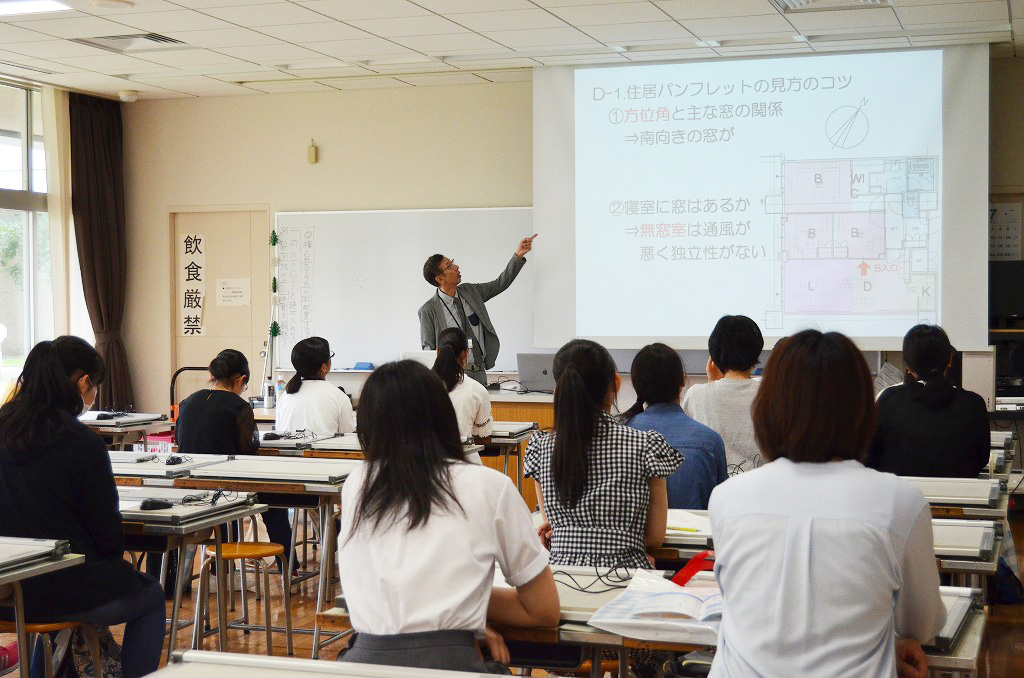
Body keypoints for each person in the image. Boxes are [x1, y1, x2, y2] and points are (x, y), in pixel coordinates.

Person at [708, 330, 945, 678]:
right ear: (862, 408)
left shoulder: (727, 498)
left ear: (768, 408)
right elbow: (922, 624)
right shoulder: (899, 502)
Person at [338, 360, 559, 673]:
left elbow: (397, 591)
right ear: (444, 415)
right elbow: (543, 611)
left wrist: (463, 617)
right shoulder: (489, 486)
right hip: (452, 664)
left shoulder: (358, 483)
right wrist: (462, 618)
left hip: (361, 663)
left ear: (367, 427)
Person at [0, 337, 164, 678]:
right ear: (83, 383)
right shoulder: (82, 443)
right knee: (150, 594)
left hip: (5, 587)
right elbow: (106, 535)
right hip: (62, 588)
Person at [524, 339, 682, 569]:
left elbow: (551, 528)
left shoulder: (541, 449)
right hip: (625, 578)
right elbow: (655, 536)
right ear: (616, 383)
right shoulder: (645, 445)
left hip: (562, 578)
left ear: (557, 391)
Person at [176, 349, 295, 572]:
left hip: (188, 484)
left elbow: (179, 440)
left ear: (213, 375)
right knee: (276, 501)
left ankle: (220, 568)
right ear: (240, 379)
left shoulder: (188, 402)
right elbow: (248, 449)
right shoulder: (239, 406)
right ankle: (288, 567)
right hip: (225, 486)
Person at [869, 325, 989, 478]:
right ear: (950, 359)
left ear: (908, 366)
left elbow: (872, 458)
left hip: (898, 499)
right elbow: (982, 459)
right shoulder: (974, 404)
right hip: (960, 499)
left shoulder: (887, 400)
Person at [419, 234, 537, 386]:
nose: (456, 267)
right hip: (452, 378)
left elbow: (499, 284)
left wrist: (518, 256)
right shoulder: (428, 310)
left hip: (480, 374)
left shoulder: (470, 292)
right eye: (449, 266)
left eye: (453, 262)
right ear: (439, 279)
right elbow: (428, 352)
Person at [622, 343, 727, 510]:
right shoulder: (710, 441)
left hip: (637, 537)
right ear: (682, 380)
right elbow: (722, 508)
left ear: (637, 385)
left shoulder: (620, 435)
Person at [682, 315, 764, 475]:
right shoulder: (771, 390)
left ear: (714, 353)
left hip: (714, 491)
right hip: (762, 489)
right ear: (757, 350)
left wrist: (712, 384)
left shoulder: (696, 394)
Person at [276, 337, 354, 436]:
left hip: (287, 451)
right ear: (324, 367)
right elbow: (348, 437)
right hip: (325, 451)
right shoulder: (339, 397)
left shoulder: (285, 397)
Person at [432, 327, 493, 439]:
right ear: (466, 353)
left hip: (425, 456)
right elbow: (483, 432)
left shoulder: (418, 386)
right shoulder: (476, 389)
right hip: (463, 455)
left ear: (437, 351)